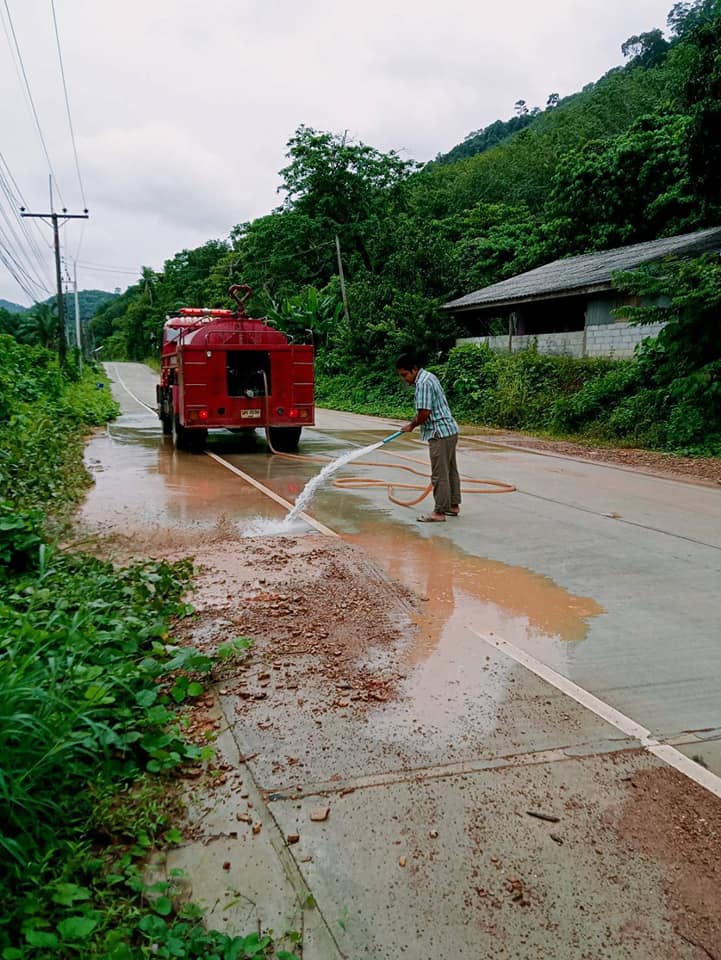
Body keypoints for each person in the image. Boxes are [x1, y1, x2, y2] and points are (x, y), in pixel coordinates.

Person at [395, 353, 460, 523]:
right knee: (450, 470)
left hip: (439, 433)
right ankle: (453, 505)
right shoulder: (429, 377)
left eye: (405, 374)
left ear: (414, 369)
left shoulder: (423, 383)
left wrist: (411, 425)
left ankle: (439, 512)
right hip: (450, 430)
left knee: (439, 474)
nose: (405, 379)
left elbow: (424, 413)